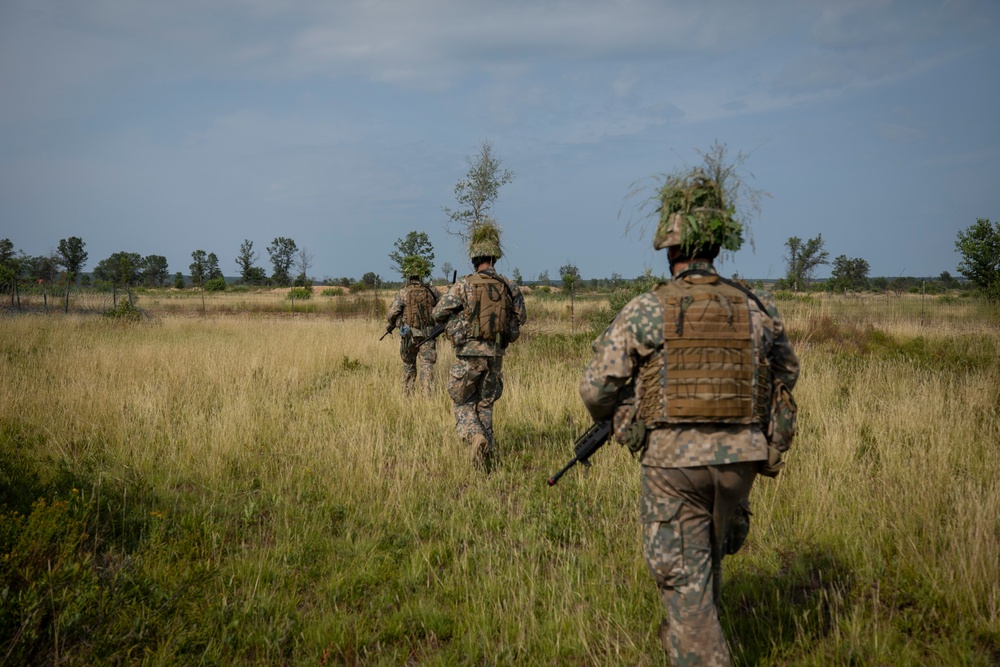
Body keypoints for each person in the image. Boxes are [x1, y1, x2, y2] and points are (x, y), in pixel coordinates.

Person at [579, 168, 799, 664]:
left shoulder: (647, 309)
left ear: (669, 250)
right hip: (741, 463)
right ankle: (689, 637)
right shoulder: (755, 306)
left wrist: (625, 414)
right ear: (716, 248)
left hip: (674, 465)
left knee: (684, 587)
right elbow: (788, 371)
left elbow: (595, 389)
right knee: (704, 573)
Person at [431, 221, 527, 470]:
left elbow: (438, 313)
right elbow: (520, 319)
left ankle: (475, 436)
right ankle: (486, 461)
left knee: (461, 402)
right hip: (496, 354)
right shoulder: (509, 285)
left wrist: (457, 322)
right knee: (486, 404)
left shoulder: (464, 284)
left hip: (469, 354)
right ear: (494, 256)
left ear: (474, 258)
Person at [385, 256, 440, 395]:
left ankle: (408, 395)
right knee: (427, 366)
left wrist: (395, 322)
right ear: (422, 275)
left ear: (408, 276)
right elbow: (443, 309)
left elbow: (391, 313)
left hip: (409, 335)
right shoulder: (432, 291)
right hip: (428, 334)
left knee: (409, 365)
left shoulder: (403, 292)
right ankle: (428, 398)